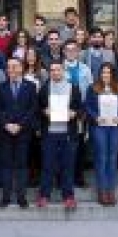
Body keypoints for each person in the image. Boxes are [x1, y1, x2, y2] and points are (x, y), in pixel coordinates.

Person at [37, 60, 82, 210]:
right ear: (50, 72)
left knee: (68, 166)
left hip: (67, 133)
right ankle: (44, 195)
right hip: (49, 133)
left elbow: (80, 108)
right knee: (47, 166)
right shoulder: (44, 88)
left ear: (63, 71)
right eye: (52, 70)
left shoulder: (73, 88)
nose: (55, 72)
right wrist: (44, 111)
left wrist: (74, 113)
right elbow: (38, 107)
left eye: (58, 70)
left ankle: (68, 196)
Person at [0, 58, 38, 208]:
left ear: (21, 68)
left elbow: (32, 109)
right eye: (8, 67)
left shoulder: (31, 86)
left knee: (21, 165)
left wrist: (20, 125)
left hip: (23, 132)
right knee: (6, 165)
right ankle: (6, 197)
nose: (11, 70)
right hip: (5, 132)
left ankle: (21, 197)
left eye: (14, 67)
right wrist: (6, 124)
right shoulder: (1, 87)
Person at [85, 62, 118, 206]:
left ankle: (111, 191)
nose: (106, 75)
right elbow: (88, 106)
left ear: (112, 74)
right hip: (99, 126)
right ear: (100, 74)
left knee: (112, 158)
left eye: (108, 72)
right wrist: (95, 117)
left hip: (115, 127)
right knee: (101, 157)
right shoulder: (93, 88)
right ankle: (102, 191)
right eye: (103, 72)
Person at [63, 40, 93, 187]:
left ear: (77, 52)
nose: (70, 52)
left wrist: (85, 111)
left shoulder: (86, 69)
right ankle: (63, 178)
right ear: (64, 52)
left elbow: (90, 91)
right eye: (68, 49)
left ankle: (79, 177)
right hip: (62, 112)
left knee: (79, 146)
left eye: (73, 49)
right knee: (63, 146)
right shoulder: (59, 68)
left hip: (80, 113)